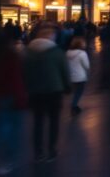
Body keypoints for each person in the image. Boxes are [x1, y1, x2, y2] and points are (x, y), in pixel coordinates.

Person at [24, 25, 71, 162]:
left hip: (35, 91)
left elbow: (24, 72)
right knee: (54, 121)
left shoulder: (28, 52)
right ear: (51, 37)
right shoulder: (57, 52)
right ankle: (52, 149)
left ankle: (38, 152)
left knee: (38, 122)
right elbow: (64, 71)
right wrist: (67, 87)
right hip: (54, 90)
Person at [0, 31, 27, 174]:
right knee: (12, 129)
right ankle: (9, 160)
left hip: (1, 96)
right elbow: (16, 79)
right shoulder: (12, 57)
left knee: (3, 126)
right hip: (11, 96)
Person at [66, 36, 90, 115]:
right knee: (79, 92)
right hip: (80, 76)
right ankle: (74, 106)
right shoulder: (82, 54)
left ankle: (75, 105)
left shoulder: (67, 53)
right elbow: (87, 66)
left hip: (71, 76)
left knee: (75, 91)